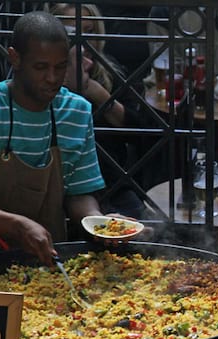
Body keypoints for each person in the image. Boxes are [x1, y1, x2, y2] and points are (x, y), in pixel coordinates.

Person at [0, 11, 108, 265]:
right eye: (41, 67)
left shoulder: (76, 112)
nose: (52, 78)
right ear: (14, 58)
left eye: (60, 67)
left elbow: (79, 194)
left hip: (51, 263)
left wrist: (99, 223)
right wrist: (18, 226)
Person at [49, 3, 147, 218]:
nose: (82, 39)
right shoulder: (47, 76)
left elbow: (139, 130)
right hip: (61, 182)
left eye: (89, 31)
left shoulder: (110, 68)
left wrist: (97, 92)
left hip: (112, 179)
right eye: (71, 31)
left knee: (141, 227)